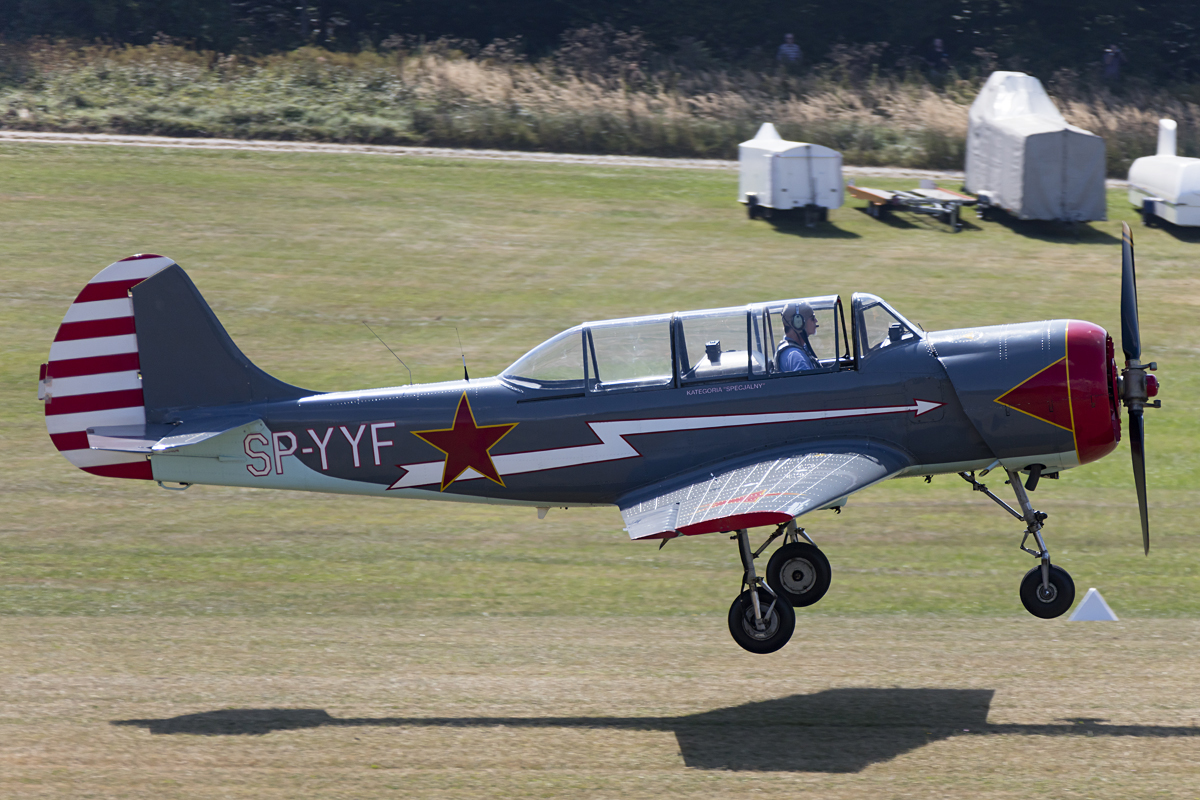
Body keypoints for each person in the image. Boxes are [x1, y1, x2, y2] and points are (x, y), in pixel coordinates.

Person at [776, 303, 820, 373]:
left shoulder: (799, 349)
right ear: (798, 323)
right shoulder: (795, 356)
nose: (816, 320)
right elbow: (808, 380)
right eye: (812, 318)